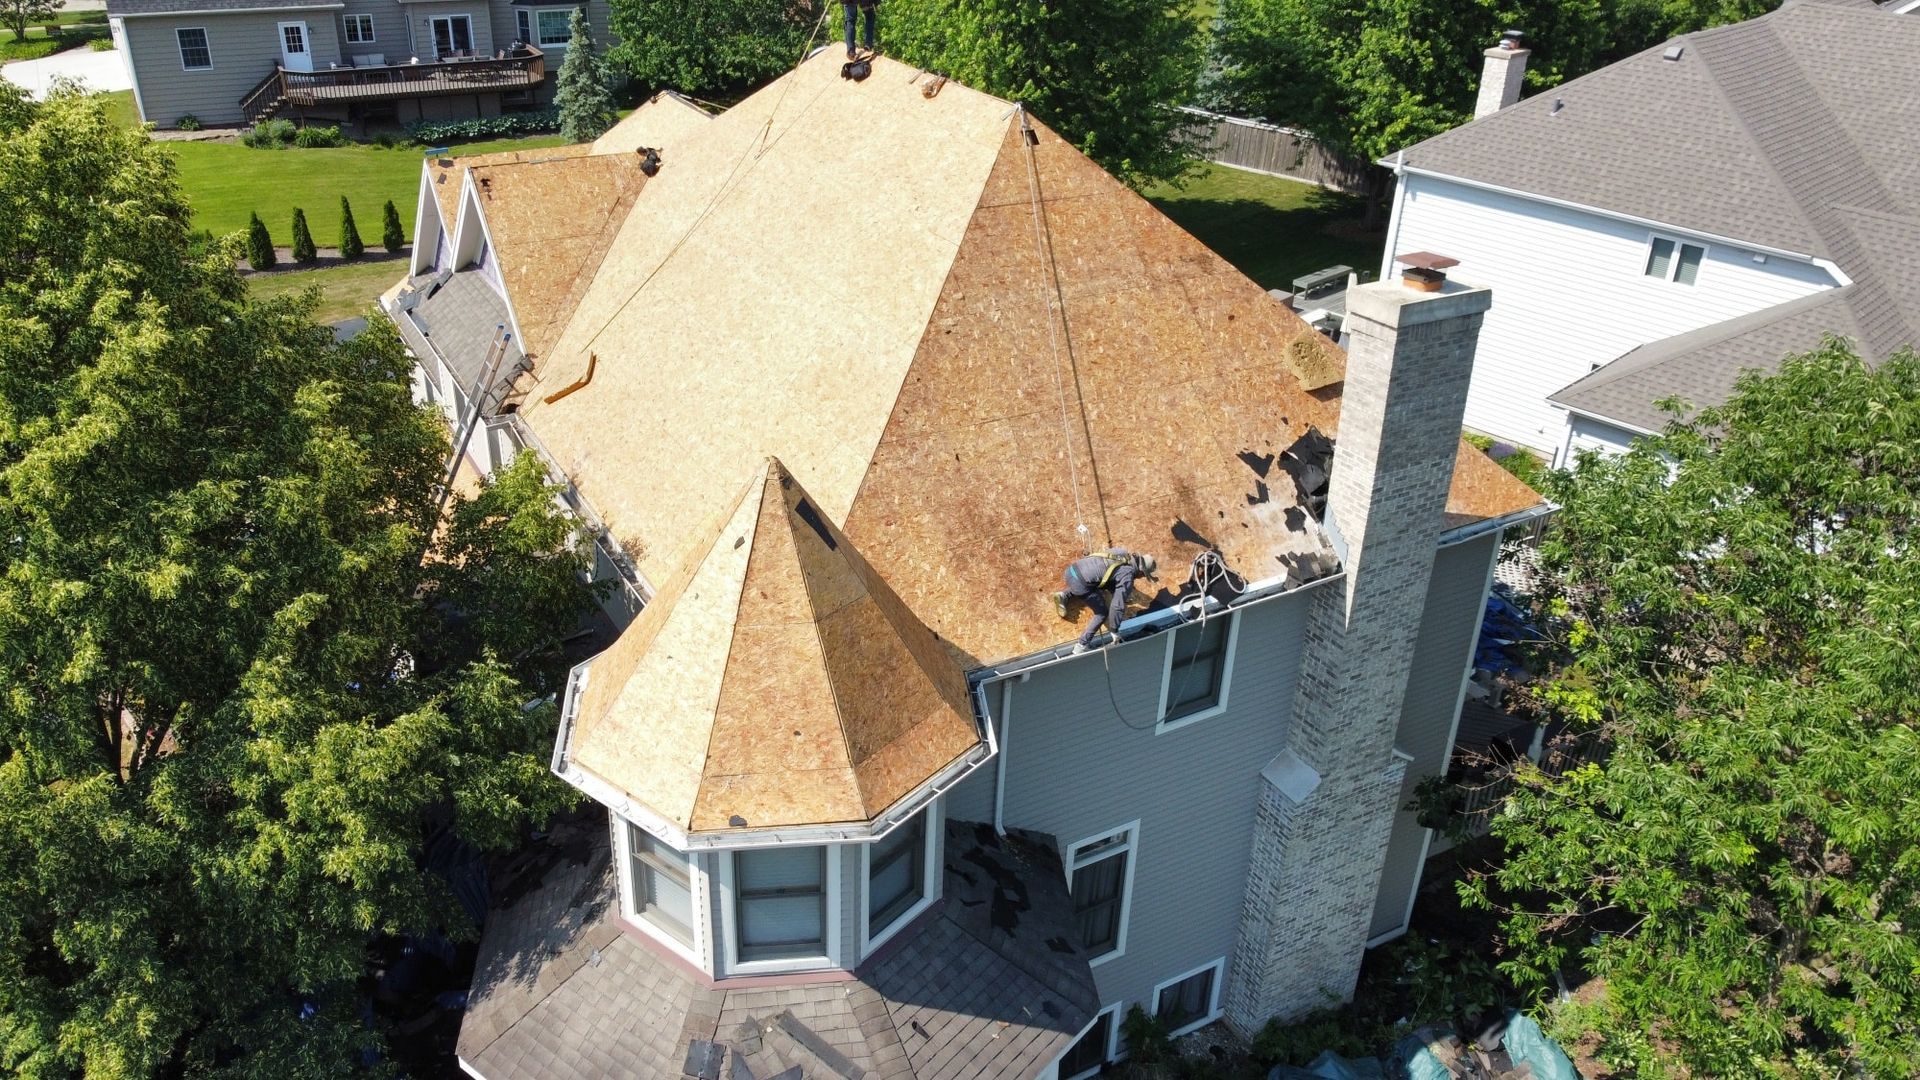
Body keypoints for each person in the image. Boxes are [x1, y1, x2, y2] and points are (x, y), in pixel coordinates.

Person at [1053, 549, 1158, 653]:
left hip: (1072, 570)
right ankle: (1081, 645)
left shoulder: (1122, 553)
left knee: (1093, 582)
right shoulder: (1128, 575)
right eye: (1144, 575)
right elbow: (1117, 606)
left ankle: (1064, 595)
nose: (1141, 577)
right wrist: (1114, 630)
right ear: (1141, 571)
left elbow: (1108, 574)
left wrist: (1119, 592)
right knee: (1102, 613)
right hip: (1080, 583)